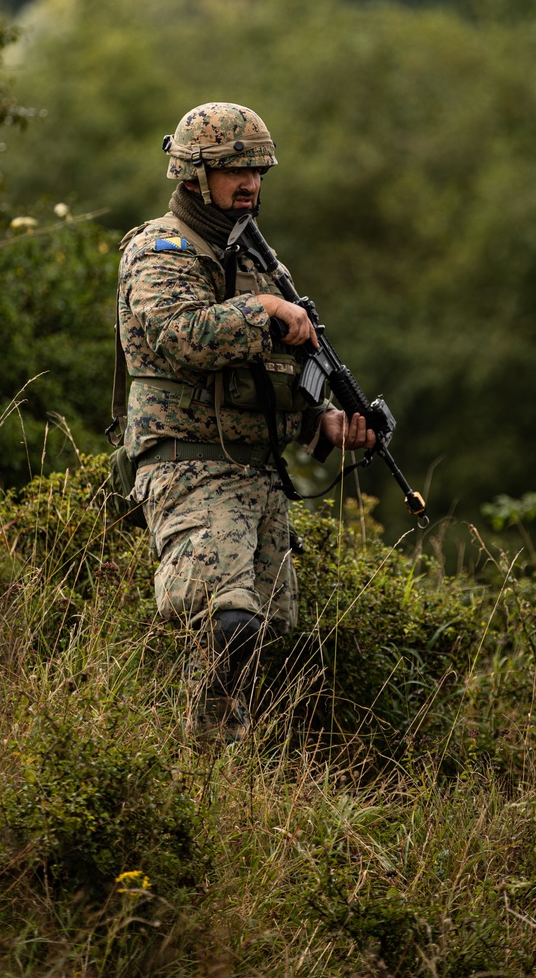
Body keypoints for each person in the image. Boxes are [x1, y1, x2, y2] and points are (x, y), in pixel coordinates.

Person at [114, 101, 373, 741]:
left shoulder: (260, 260)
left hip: (259, 478)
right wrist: (262, 310)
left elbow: (270, 383)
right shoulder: (161, 250)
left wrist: (326, 425)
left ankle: (207, 774)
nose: (250, 183)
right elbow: (177, 336)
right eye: (235, 171)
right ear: (194, 174)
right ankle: (184, 768)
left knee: (262, 647)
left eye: (258, 170)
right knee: (226, 625)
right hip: (192, 465)